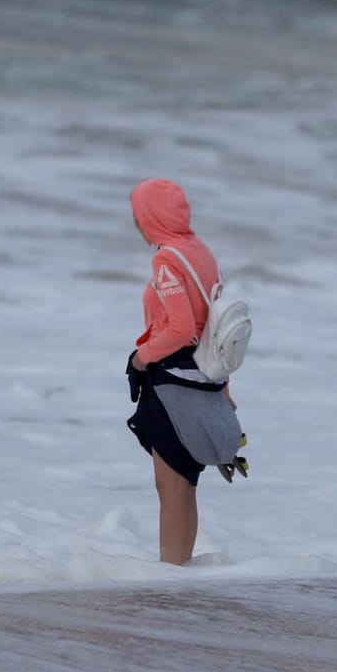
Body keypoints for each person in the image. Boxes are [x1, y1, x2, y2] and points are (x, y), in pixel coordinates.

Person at [125, 178, 239, 565]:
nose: (136, 224)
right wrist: (224, 390)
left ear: (149, 216)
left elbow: (181, 329)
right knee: (186, 484)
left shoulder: (167, 259)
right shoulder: (201, 253)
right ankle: (180, 574)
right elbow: (217, 328)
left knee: (170, 485)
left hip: (173, 381)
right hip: (204, 380)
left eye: (137, 215)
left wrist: (141, 357)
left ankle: (169, 576)